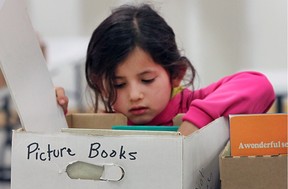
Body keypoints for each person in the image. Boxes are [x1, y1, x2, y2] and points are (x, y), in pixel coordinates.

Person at [56, 3, 275, 135]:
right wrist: (54, 114)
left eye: (147, 80)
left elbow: (259, 85)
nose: (134, 95)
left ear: (176, 74)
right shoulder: (105, 125)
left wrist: (198, 119)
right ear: (101, 86)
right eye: (118, 84)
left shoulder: (192, 106)